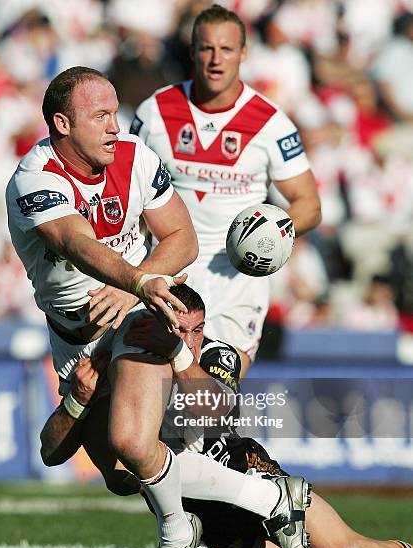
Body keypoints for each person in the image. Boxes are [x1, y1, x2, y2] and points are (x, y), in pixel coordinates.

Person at [40, 285, 413, 548]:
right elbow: (53, 453)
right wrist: (79, 399)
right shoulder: (126, 368)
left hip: (247, 472)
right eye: (177, 329)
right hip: (206, 524)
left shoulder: (217, 354)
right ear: (154, 323)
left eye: (196, 330)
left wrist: (175, 352)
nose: (188, 339)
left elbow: (210, 414)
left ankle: (285, 504)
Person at [5, 65, 204, 548]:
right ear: (62, 124)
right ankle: (262, 496)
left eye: (116, 112)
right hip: (76, 337)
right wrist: (135, 279)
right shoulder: (33, 179)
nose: (116, 126)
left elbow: (183, 238)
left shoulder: (137, 157)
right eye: (101, 116)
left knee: (131, 440)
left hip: (140, 313)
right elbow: (76, 242)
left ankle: (178, 541)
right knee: (120, 471)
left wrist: (139, 288)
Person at [130, 4, 322, 376]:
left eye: (227, 49)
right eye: (206, 48)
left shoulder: (270, 123)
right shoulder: (155, 111)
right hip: (166, 276)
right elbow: (125, 187)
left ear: (244, 53)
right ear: (192, 52)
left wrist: (270, 232)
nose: (216, 59)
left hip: (237, 283)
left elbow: (309, 206)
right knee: (153, 409)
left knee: (213, 399)